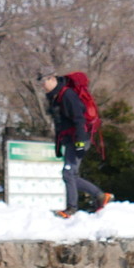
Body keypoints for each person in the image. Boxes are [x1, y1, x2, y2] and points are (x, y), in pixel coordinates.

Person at [42, 72, 109, 218]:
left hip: (78, 139)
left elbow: (79, 119)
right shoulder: (56, 97)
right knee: (71, 175)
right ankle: (100, 195)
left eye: (44, 81)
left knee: (68, 173)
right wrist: (58, 146)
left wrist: (79, 142)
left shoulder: (67, 95)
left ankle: (71, 209)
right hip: (70, 140)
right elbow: (61, 125)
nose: (42, 85)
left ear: (52, 79)